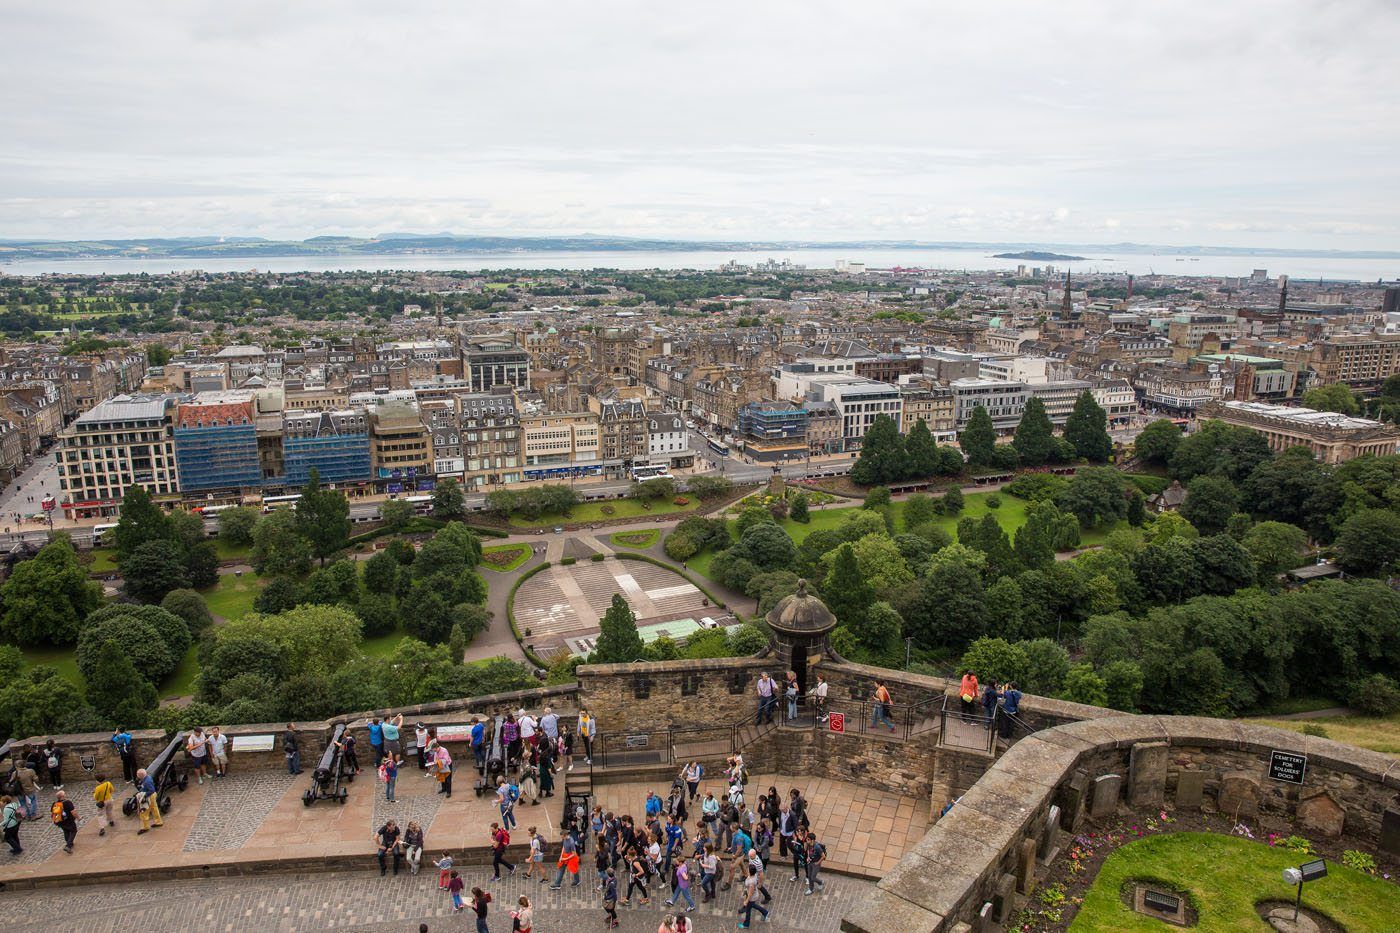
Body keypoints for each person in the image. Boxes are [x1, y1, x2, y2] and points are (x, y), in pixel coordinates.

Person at [737, 864, 769, 928]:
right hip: (752, 895)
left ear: (750, 872)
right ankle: (765, 912)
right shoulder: (753, 875)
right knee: (753, 905)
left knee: (748, 910)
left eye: (748, 869)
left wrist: (746, 901)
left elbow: (751, 893)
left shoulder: (751, 882)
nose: (747, 870)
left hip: (752, 897)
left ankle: (746, 924)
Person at [135, 768, 163, 833]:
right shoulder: (147, 777)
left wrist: (143, 795)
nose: (137, 776)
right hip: (152, 796)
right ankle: (158, 822)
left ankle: (145, 827)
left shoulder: (147, 781)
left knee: (143, 812)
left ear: (140, 775)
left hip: (149, 797)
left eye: (137, 775)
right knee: (154, 809)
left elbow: (151, 790)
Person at [51, 789, 77, 854]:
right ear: (62, 796)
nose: (66, 795)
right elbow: (73, 812)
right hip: (69, 821)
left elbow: (53, 813)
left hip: (60, 821)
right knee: (74, 831)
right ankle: (68, 846)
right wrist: (78, 817)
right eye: (64, 794)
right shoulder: (68, 802)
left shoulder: (55, 804)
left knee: (66, 831)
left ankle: (69, 842)